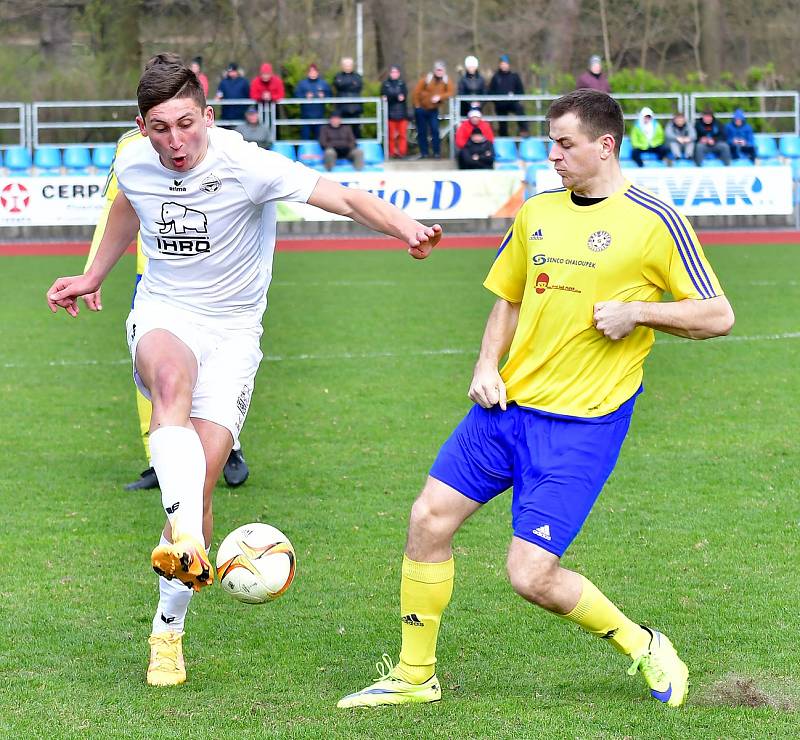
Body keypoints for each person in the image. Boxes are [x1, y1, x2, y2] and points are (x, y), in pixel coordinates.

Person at [47, 52, 442, 689]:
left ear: (208, 114)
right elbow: (130, 205)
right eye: (159, 127)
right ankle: (172, 603)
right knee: (170, 387)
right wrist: (94, 274)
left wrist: (406, 228)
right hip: (165, 310)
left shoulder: (245, 163)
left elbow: (338, 194)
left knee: (200, 482)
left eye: (185, 123)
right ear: (141, 126)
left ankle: (169, 614)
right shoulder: (133, 158)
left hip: (233, 330)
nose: (174, 141)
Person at [337, 88, 734, 710]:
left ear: (605, 146)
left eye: (565, 143)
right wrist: (485, 365)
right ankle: (416, 675)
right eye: (551, 142)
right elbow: (511, 297)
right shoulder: (537, 211)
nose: (552, 154)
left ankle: (645, 643)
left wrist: (639, 312)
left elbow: (718, 315)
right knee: (427, 519)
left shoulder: (655, 220)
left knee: (530, 575)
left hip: (580, 426)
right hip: (504, 411)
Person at [82, 128, 251, 491]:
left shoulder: (220, 141)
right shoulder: (130, 148)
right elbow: (116, 205)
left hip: (215, 288)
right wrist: (92, 272)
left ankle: (230, 448)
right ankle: (159, 460)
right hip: (157, 285)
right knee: (162, 379)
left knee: (219, 373)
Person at [412, 60, 455, 159]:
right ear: (434, 70)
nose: (439, 72)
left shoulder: (446, 81)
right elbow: (416, 92)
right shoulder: (426, 79)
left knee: (435, 130)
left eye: (441, 70)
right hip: (421, 109)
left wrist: (440, 97)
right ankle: (424, 153)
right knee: (422, 131)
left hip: (433, 110)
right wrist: (417, 106)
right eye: (437, 70)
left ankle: (437, 152)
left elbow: (450, 92)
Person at [488, 54, 528, 137]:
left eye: (505, 63)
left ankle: (523, 130)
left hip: (512, 103)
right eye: (502, 64)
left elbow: (521, 91)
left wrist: (514, 96)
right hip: (500, 104)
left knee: (520, 109)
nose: (504, 66)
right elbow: (490, 92)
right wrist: (498, 99)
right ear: (499, 65)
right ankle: (504, 138)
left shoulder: (514, 76)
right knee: (502, 124)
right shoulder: (496, 77)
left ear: (509, 65)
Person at [294, 63, 332, 141]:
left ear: (317, 72)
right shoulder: (302, 84)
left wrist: (324, 96)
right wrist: (305, 97)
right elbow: (296, 96)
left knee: (320, 138)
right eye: (311, 72)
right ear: (307, 73)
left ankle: (319, 153)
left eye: (314, 71)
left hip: (320, 116)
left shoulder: (323, 83)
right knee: (305, 137)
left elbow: (330, 96)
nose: (312, 73)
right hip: (305, 116)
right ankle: (304, 153)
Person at [381, 64, 409, 159]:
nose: (394, 74)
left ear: (399, 73)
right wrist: (395, 97)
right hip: (389, 114)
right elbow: (384, 97)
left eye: (396, 72)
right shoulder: (385, 84)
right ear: (390, 73)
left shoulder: (402, 84)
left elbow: (403, 97)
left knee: (402, 135)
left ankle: (402, 152)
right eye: (393, 72)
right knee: (391, 136)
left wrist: (391, 97)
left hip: (402, 114)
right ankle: (391, 153)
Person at [333, 56, 364, 138]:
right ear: (342, 66)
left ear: (352, 65)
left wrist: (345, 84)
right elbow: (338, 85)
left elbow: (358, 86)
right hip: (342, 108)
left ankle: (357, 149)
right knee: (342, 131)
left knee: (356, 131)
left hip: (355, 108)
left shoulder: (357, 76)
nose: (347, 66)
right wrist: (351, 84)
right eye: (345, 65)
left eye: (349, 64)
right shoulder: (338, 76)